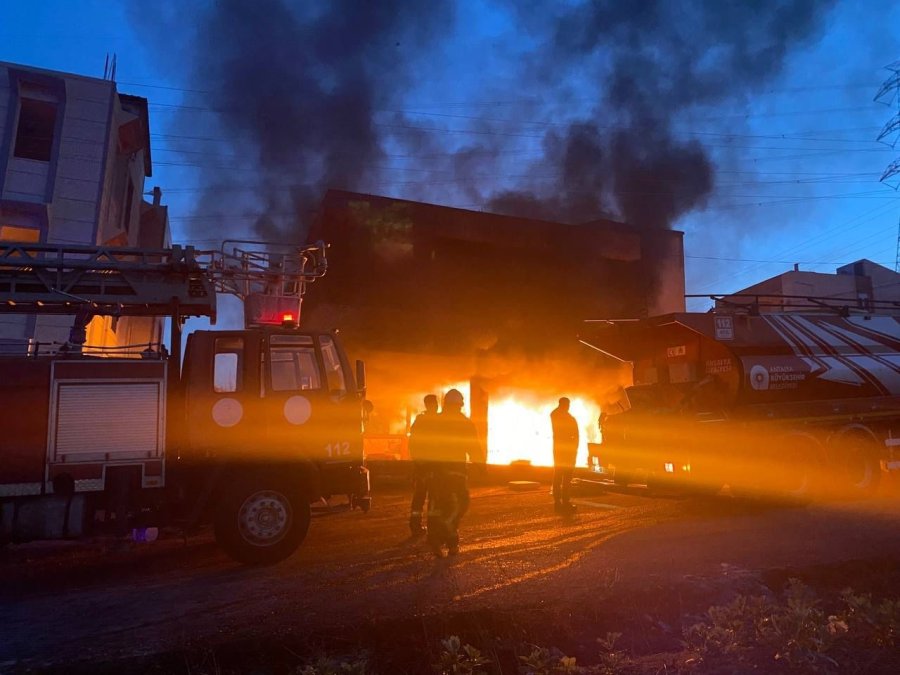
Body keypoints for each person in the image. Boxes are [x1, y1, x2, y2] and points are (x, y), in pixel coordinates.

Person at [427, 388, 482, 558]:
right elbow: (473, 447)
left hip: (436, 472)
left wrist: (424, 469)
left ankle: (436, 539)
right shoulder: (465, 423)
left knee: (437, 505)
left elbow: (426, 445)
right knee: (460, 505)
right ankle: (450, 541)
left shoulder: (435, 421)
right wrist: (481, 466)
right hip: (456, 472)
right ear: (460, 404)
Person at [407, 394, 439, 537]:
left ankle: (416, 526)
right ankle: (431, 527)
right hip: (431, 467)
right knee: (432, 498)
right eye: (434, 403)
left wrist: (417, 461)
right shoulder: (438, 421)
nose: (436, 406)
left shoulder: (420, 421)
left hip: (423, 466)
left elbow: (412, 443)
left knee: (420, 497)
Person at [550, 397, 579, 514]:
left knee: (561, 476)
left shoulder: (562, 416)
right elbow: (573, 434)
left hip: (564, 450)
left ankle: (561, 502)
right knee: (563, 476)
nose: (568, 407)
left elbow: (576, 435)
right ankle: (562, 502)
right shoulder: (561, 416)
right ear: (562, 405)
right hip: (565, 450)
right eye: (567, 405)